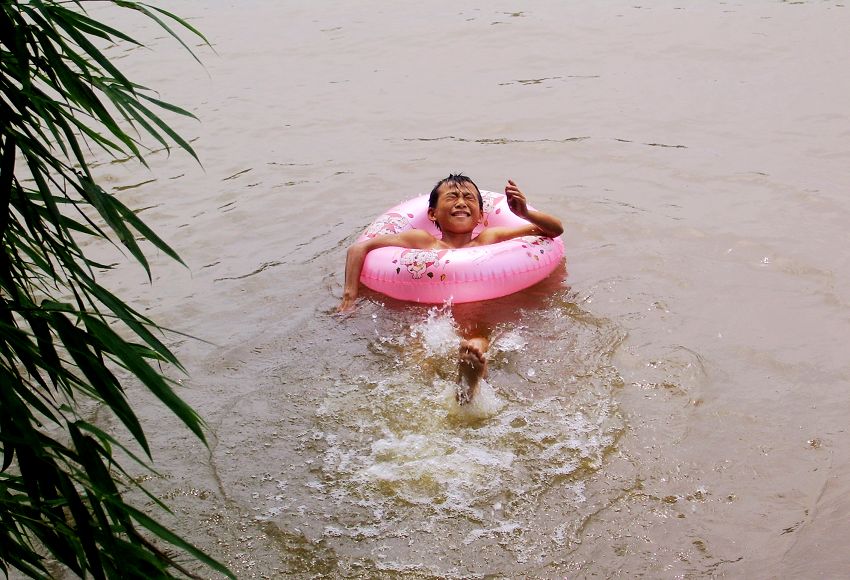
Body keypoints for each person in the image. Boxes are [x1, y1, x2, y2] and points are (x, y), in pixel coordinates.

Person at [339, 174, 563, 403]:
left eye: (468, 198)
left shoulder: (489, 238)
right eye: (452, 197)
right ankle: (448, 394)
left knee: (477, 343)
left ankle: (467, 384)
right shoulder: (424, 241)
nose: (461, 202)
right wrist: (349, 297)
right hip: (430, 323)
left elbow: (554, 230)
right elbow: (359, 248)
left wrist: (524, 213)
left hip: (474, 320)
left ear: (479, 216)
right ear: (432, 213)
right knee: (419, 354)